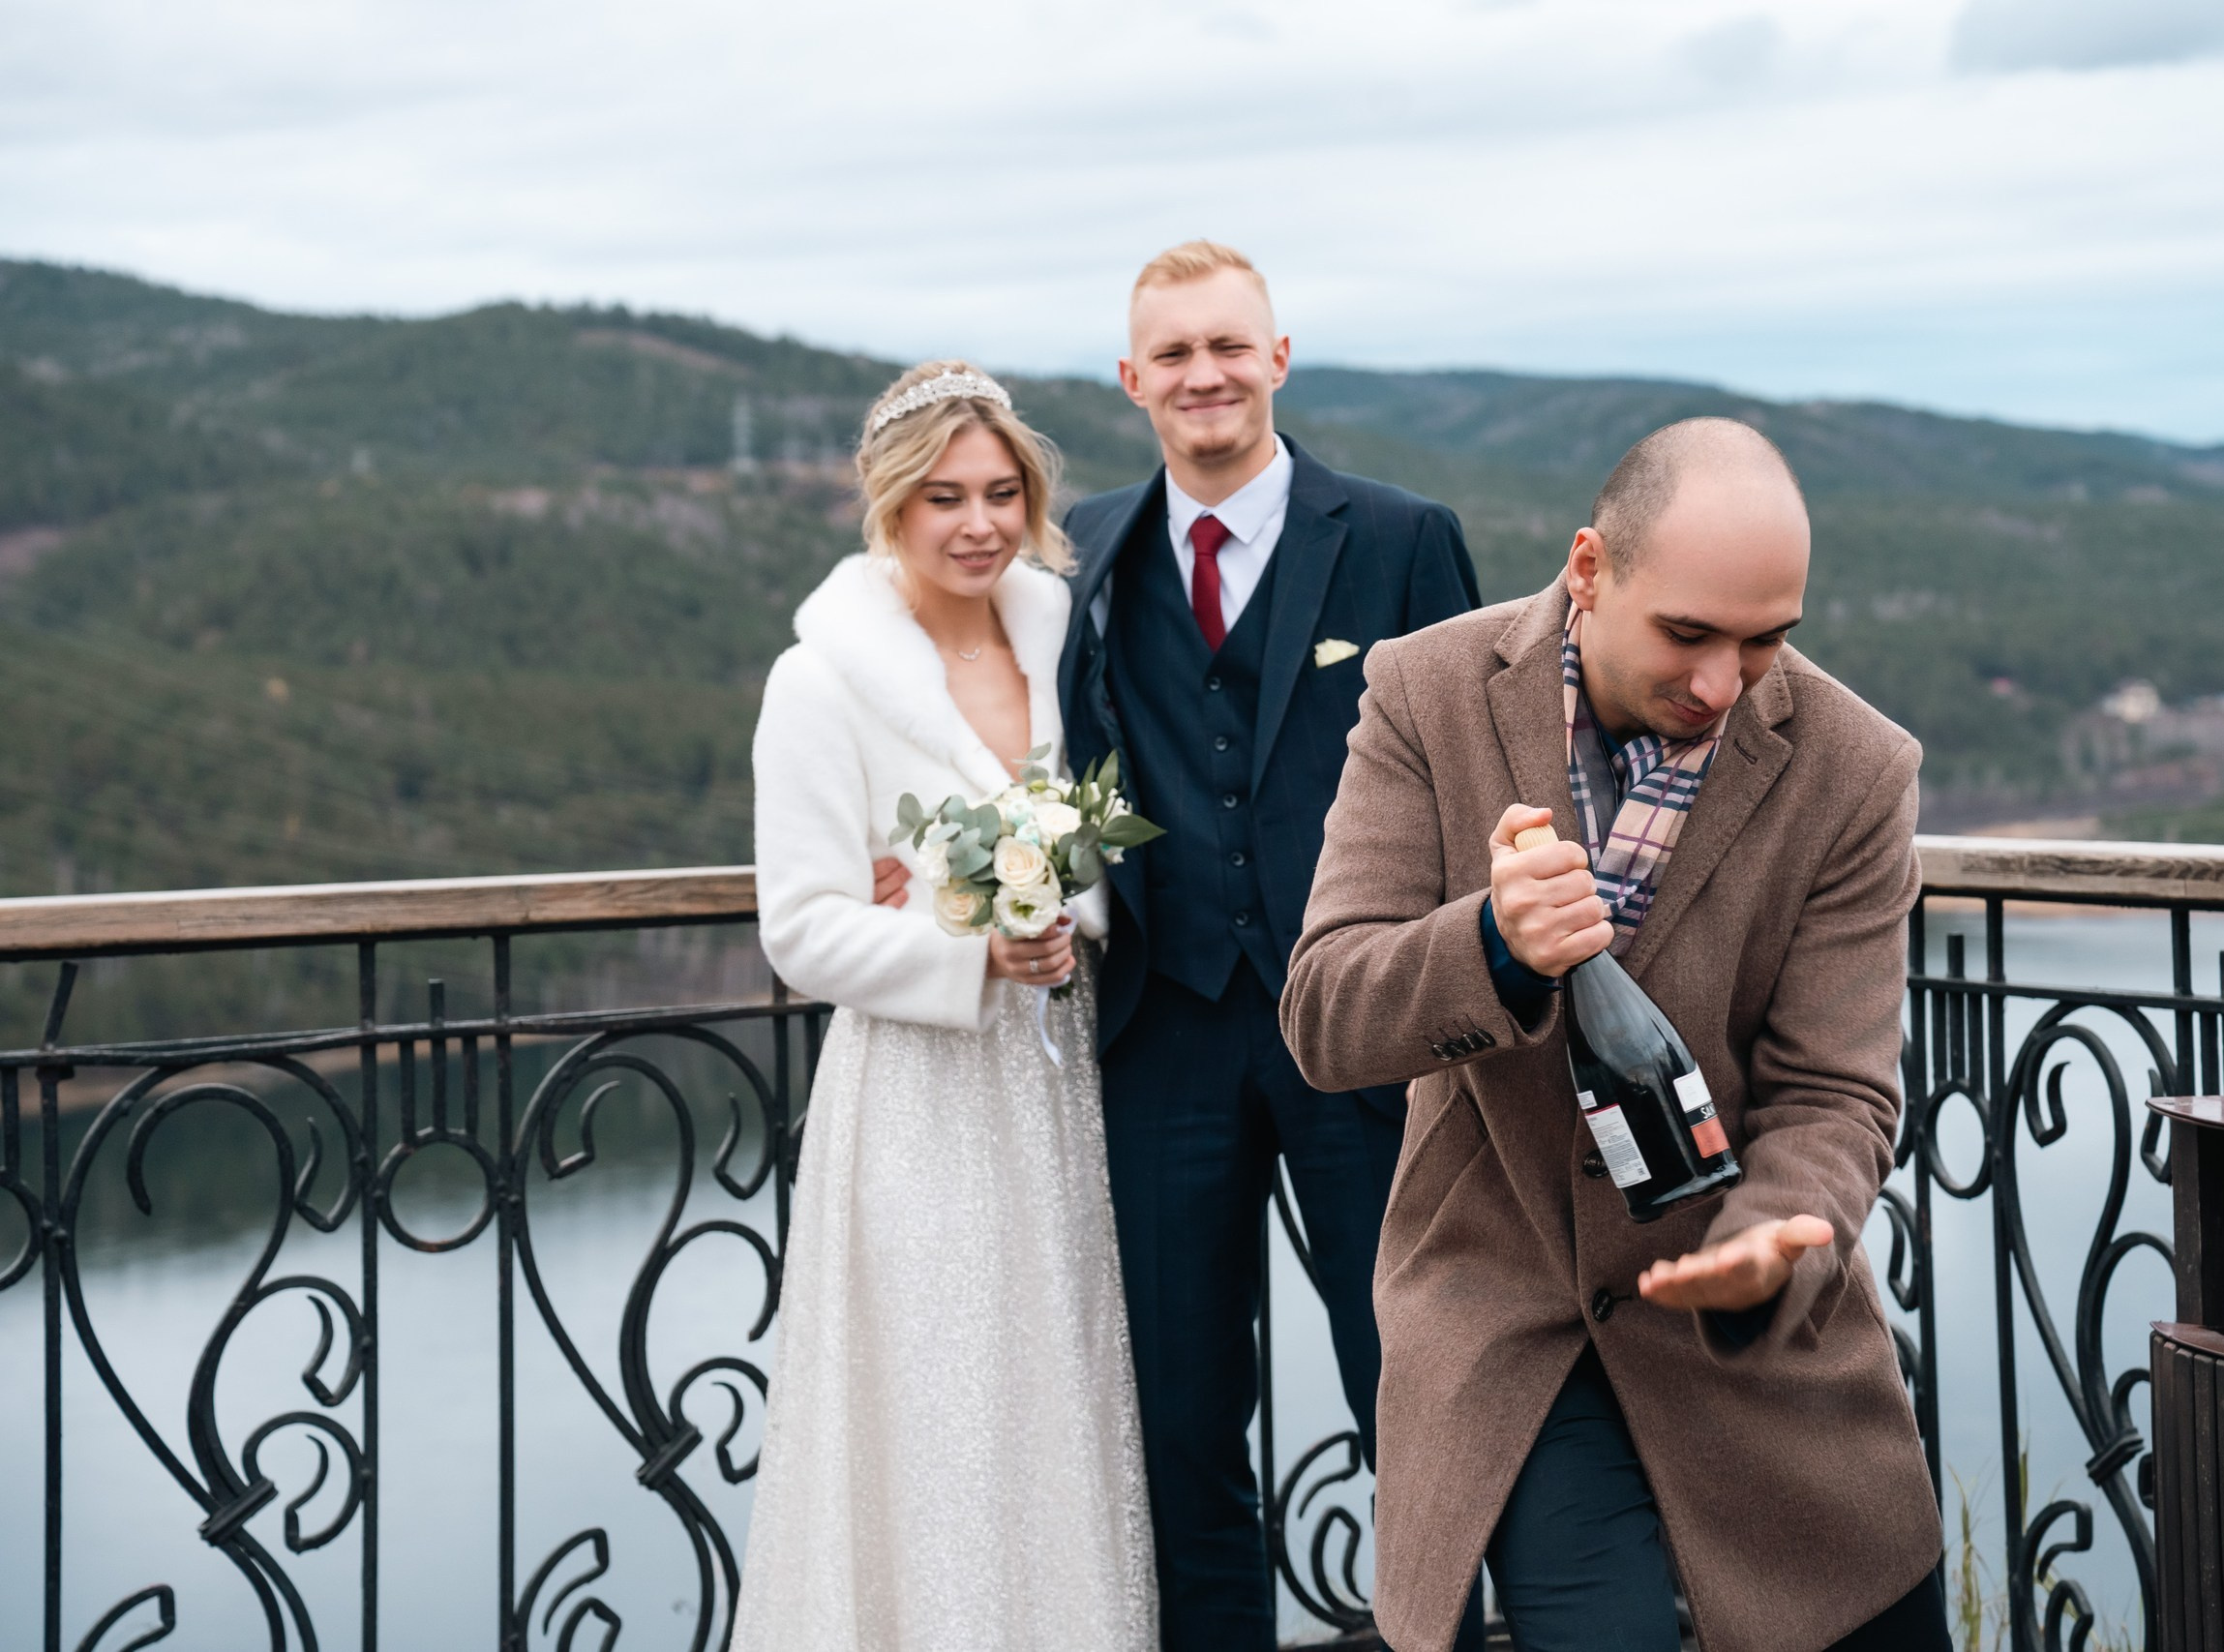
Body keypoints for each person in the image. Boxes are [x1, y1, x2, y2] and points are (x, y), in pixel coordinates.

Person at [1279, 418, 1952, 1652]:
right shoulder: (1425, 690)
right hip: (1513, 1317)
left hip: (1749, 1327)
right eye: (1688, 635)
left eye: (1765, 640)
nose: (1723, 684)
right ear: (1587, 569)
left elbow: (1835, 1097)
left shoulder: (1857, 767)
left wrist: (1770, 1245)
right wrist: (1491, 945)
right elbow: (1325, 1016)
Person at [1055, 241, 1481, 1651]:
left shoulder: (1402, 537)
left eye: (1229, 345)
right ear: (1132, 380)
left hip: (1362, 1029)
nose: (1206, 374)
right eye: (1174, 354)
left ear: (1278, 359)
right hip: (1163, 1030)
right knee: (1179, 1411)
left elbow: (1478, 777)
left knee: (1408, 1380)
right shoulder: (1087, 549)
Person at [735, 362, 1156, 1651]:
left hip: (1061, 1080)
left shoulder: (1064, 642)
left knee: (1058, 1392)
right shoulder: (819, 682)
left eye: (1002, 493)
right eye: (944, 497)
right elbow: (800, 927)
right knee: (935, 1405)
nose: (979, 523)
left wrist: (1063, 911)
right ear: (890, 504)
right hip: (920, 1098)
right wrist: (967, 948)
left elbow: (1111, 835)